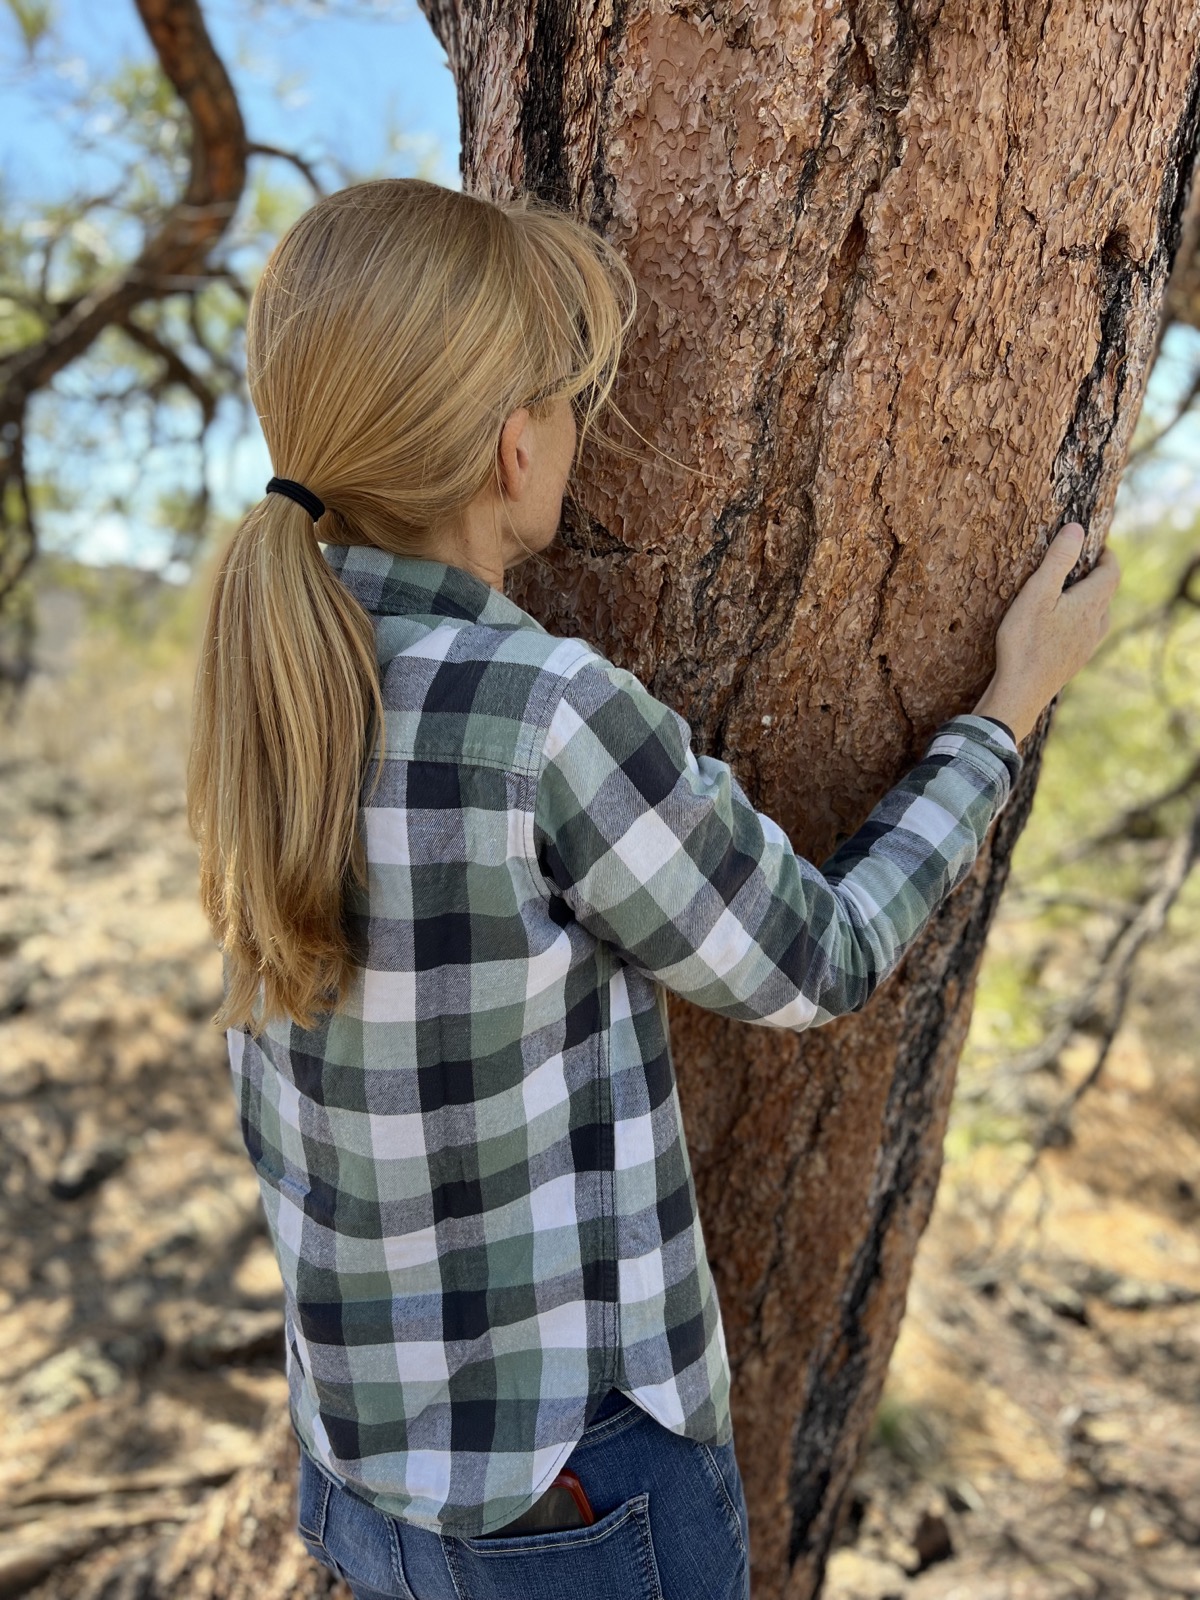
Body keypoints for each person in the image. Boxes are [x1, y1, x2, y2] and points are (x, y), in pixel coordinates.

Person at [186, 177, 1120, 1600]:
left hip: (362, 1477)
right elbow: (826, 957)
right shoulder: (541, 714)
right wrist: (1007, 708)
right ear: (515, 448)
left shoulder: (264, 690)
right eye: (572, 399)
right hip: (567, 1503)